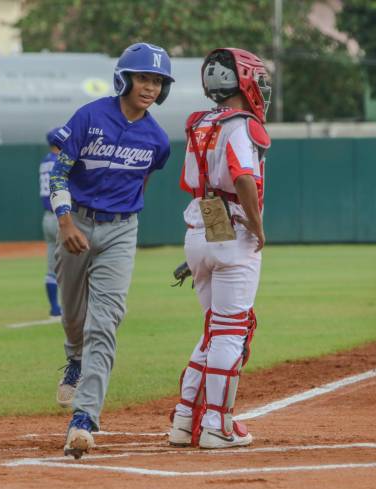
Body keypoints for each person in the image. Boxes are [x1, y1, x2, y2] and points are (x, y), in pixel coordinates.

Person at [49, 42, 173, 459]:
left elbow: (142, 183)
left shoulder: (157, 139)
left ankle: (84, 419)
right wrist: (66, 221)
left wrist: (122, 218)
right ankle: (74, 359)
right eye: (144, 78)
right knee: (73, 315)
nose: (150, 87)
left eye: (157, 81)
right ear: (125, 79)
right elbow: (59, 174)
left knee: (105, 322)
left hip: (121, 231)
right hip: (76, 222)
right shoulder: (89, 116)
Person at [167, 48, 271, 449]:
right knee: (231, 331)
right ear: (243, 82)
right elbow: (244, 176)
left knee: (214, 330)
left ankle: (183, 421)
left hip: (202, 221)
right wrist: (258, 228)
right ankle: (217, 425)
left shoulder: (201, 121)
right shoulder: (242, 125)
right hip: (233, 225)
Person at [39, 128, 64, 317]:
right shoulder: (60, 161)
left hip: (47, 217)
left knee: (52, 267)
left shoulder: (45, 161)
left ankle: (55, 308)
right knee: (79, 263)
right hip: (61, 216)